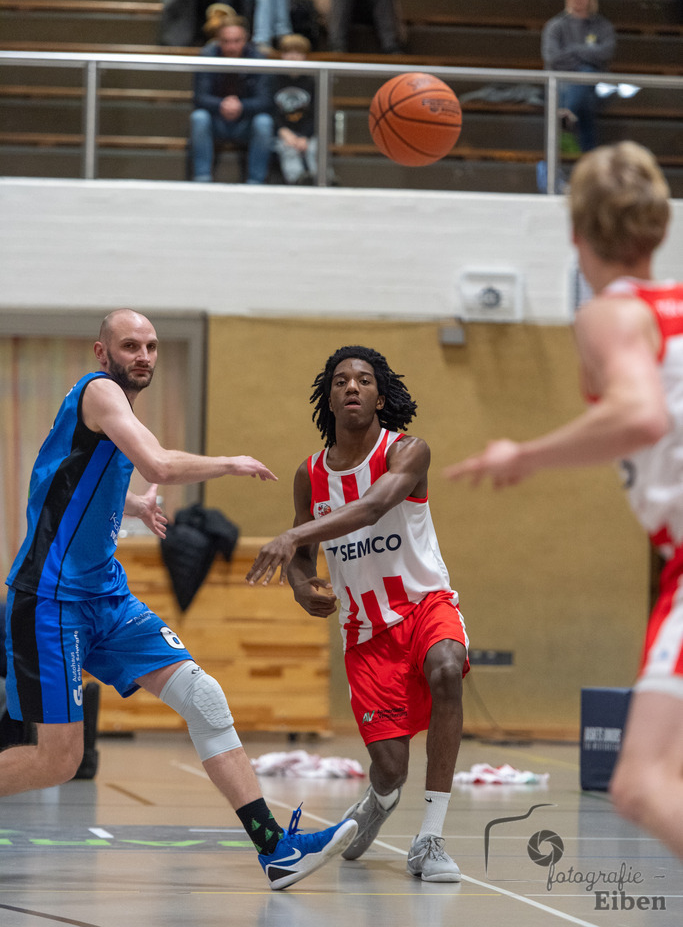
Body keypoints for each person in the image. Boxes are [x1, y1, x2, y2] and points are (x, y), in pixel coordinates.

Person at [2, 308, 357, 890]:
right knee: (58, 760)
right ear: (101, 353)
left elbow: (67, 477)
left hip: (106, 596)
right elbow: (158, 463)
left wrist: (136, 506)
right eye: (130, 345)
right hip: (49, 600)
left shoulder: (118, 414)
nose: (143, 355)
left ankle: (275, 850)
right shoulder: (98, 393)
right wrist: (231, 463)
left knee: (204, 697)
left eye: (151, 346)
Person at [443, 141, 683, 859]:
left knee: (639, 782)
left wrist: (524, 454)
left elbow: (640, 415)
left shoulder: (609, 314)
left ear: (576, 235)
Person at [247, 346, 469, 882]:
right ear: (329, 397)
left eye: (363, 380)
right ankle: (379, 799)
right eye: (341, 380)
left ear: (380, 395)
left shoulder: (408, 452)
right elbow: (302, 561)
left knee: (447, 668)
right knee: (390, 768)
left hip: (423, 604)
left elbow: (371, 507)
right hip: (365, 631)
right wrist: (301, 587)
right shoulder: (309, 475)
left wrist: (294, 534)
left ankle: (430, 839)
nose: (352, 386)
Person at [189, 14, 275, 183]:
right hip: (216, 120)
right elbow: (200, 97)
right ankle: (202, 178)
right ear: (218, 41)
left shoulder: (259, 59)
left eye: (236, 41)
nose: (231, 47)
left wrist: (241, 106)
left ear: (246, 40)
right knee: (199, 118)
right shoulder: (207, 57)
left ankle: (256, 182)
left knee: (264, 122)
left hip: (246, 121)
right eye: (226, 41)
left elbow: (265, 100)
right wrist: (222, 105)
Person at [541, 0, 616, 155]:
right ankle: (589, 158)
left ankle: (566, 116)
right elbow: (553, 58)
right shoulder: (555, 25)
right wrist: (585, 57)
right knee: (586, 87)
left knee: (587, 76)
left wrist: (573, 50)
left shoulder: (603, 26)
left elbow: (606, 53)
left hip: (594, 86)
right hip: (562, 85)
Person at [272, 33, 317, 185]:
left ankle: (320, 181)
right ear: (281, 55)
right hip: (283, 132)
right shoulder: (274, 79)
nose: (293, 57)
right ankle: (297, 181)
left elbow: (318, 113)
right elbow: (271, 110)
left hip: (308, 132)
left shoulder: (313, 80)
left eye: (298, 53)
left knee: (314, 149)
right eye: (288, 52)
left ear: (305, 56)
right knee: (288, 150)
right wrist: (283, 131)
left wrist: (306, 136)